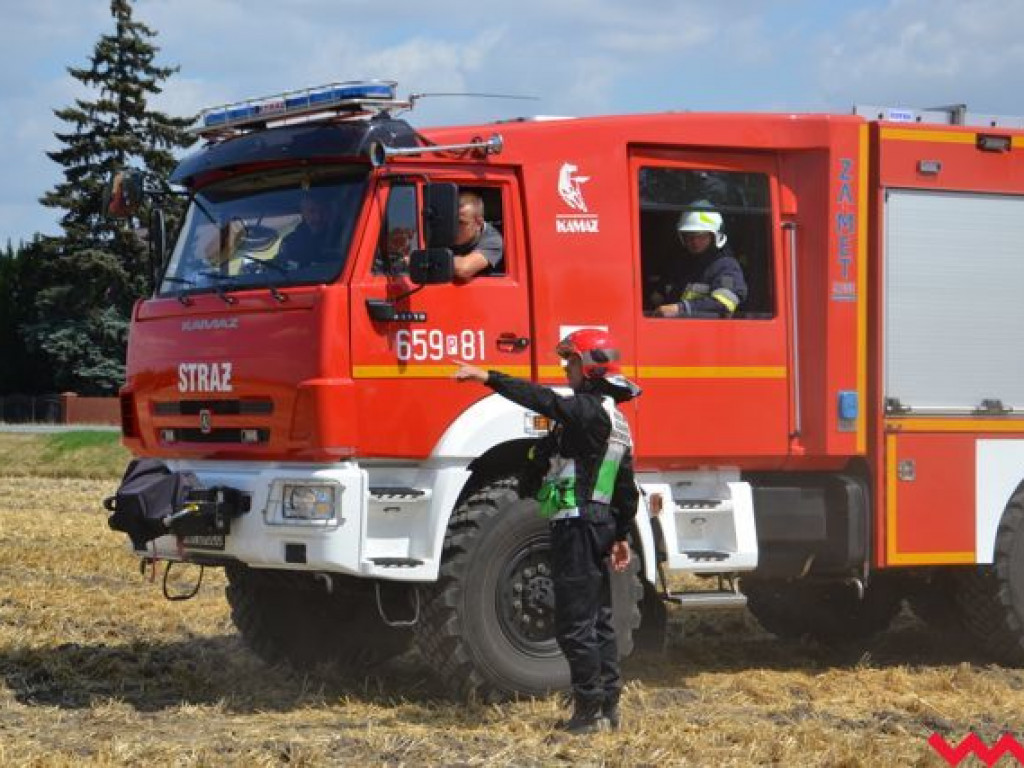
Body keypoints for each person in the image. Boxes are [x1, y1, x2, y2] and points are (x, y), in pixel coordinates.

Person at [452, 329, 641, 734]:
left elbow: (544, 401)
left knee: (574, 623)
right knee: (601, 621)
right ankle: (607, 707)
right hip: (600, 524)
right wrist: (621, 533)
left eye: (570, 361)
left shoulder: (587, 411)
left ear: (591, 367)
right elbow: (625, 486)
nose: (564, 368)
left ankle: (588, 712)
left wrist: (489, 377)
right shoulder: (615, 418)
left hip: (577, 525)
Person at [652, 203, 747, 317]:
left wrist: (680, 308)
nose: (695, 242)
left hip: (711, 333)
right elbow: (656, 297)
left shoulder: (726, 266)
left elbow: (723, 304)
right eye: (690, 236)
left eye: (701, 236)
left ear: (715, 236)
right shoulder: (678, 265)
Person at [277, 189, 336, 268]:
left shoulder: (343, 238)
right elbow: (279, 266)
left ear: (330, 212)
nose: (318, 217)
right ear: (303, 213)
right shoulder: (289, 242)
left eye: (323, 210)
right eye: (311, 211)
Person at [451, 191, 503, 280]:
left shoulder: (492, 240)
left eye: (461, 222)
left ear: (479, 223)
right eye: (451, 221)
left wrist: (432, 259)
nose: (453, 227)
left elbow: (464, 269)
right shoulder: (442, 231)